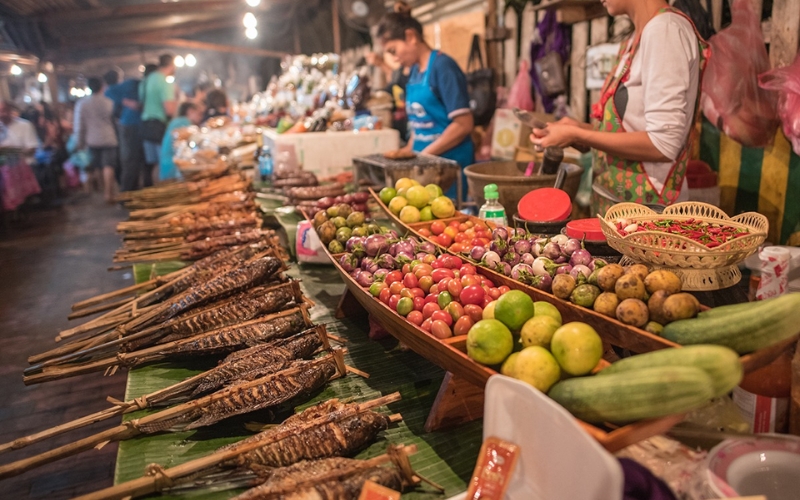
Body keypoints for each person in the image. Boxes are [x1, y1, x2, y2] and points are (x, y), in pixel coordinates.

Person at [530, 0, 707, 214]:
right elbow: (631, 131)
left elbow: (663, 144)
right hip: (620, 209)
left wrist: (577, 134)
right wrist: (577, 131)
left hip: (651, 216)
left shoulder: (665, 31)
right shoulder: (636, 38)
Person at [376, 10, 474, 201]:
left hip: (448, 169)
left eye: (393, 51)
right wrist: (408, 152)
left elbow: (464, 124)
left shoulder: (443, 67)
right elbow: (421, 121)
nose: (394, 58)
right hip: (425, 169)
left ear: (410, 36)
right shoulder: (413, 72)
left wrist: (423, 156)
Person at [76, 77, 119, 202]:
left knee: (97, 166)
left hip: (92, 139)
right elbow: (115, 121)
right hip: (109, 137)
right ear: (102, 87)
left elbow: (80, 126)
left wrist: (80, 142)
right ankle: (108, 193)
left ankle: (100, 189)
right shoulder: (109, 102)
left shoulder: (82, 104)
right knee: (108, 165)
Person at [105, 68, 148, 191]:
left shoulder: (132, 85)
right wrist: (127, 102)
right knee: (132, 161)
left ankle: (132, 192)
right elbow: (109, 93)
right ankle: (127, 194)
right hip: (131, 126)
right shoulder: (131, 84)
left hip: (131, 126)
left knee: (135, 161)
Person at [140, 54, 177, 183]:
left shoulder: (147, 80)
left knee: (154, 163)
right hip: (159, 126)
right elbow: (170, 109)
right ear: (172, 65)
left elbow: (142, 102)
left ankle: (155, 193)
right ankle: (163, 190)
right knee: (164, 161)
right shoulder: (164, 81)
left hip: (145, 125)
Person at [159, 102, 204, 181]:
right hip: (173, 166)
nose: (201, 117)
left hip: (166, 164)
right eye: (199, 114)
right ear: (190, 111)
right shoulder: (184, 122)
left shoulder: (176, 121)